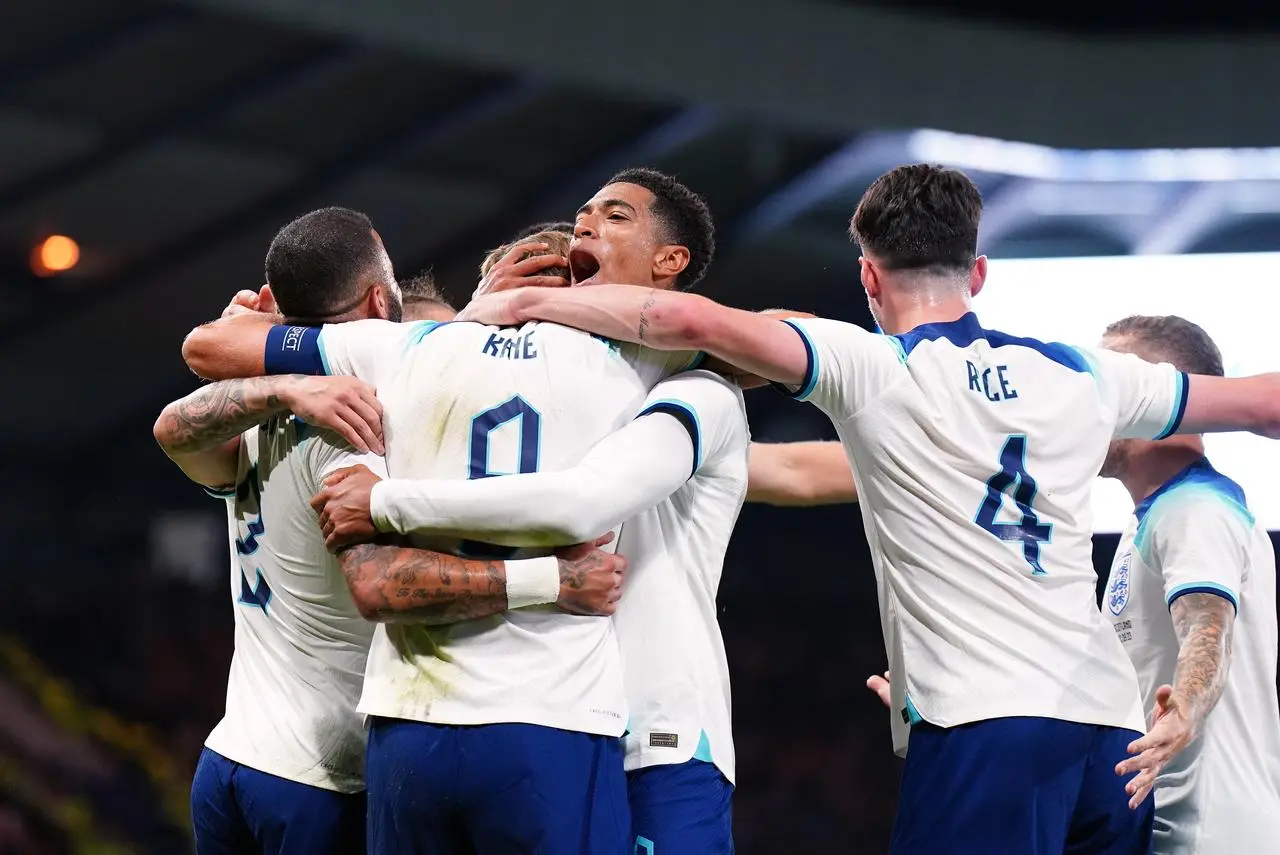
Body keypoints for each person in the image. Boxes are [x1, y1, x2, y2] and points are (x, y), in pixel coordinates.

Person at [456, 163, 1280, 855]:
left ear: (869, 278)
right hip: (1107, 736)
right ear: (979, 271)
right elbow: (1261, 404)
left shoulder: (876, 366)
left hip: (986, 728)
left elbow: (682, 316)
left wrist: (511, 307)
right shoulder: (1085, 374)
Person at [180, 169, 716, 854]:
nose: (588, 227)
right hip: (542, 719)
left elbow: (202, 357)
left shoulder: (409, 352)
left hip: (394, 730)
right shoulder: (651, 361)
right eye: (584, 218)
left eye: (612, 217)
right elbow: (775, 350)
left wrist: (468, 327)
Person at [312, 364, 749, 855]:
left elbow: (586, 501)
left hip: (660, 737)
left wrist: (387, 501)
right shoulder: (548, 379)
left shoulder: (697, 390)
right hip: (559, 717)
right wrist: (282, 379)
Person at [1095, 315, 1280, 853]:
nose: (1090, 403)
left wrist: (1187, 707)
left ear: (1159, 395)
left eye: (1108, 382)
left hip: (1210, 832)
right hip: (1176, 824)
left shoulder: (1193, 508)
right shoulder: (1150, 520)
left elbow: (1206, 621)